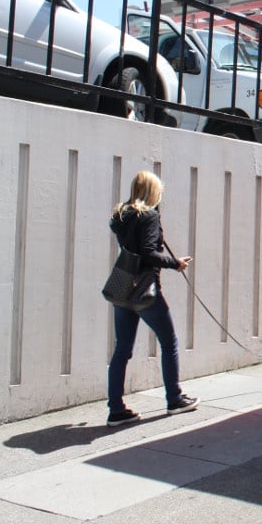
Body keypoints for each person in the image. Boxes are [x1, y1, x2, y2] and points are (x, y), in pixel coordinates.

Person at [106, 171, 198, 426]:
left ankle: (116, 409)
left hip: (122, 282)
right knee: (169, 342)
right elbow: (147, 252)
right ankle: (175, 399)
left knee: (122, 349)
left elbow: (131, 245)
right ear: (152, 191)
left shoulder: (120, 215)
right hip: (144, 286)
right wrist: (174, 263)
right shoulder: (150, 216)